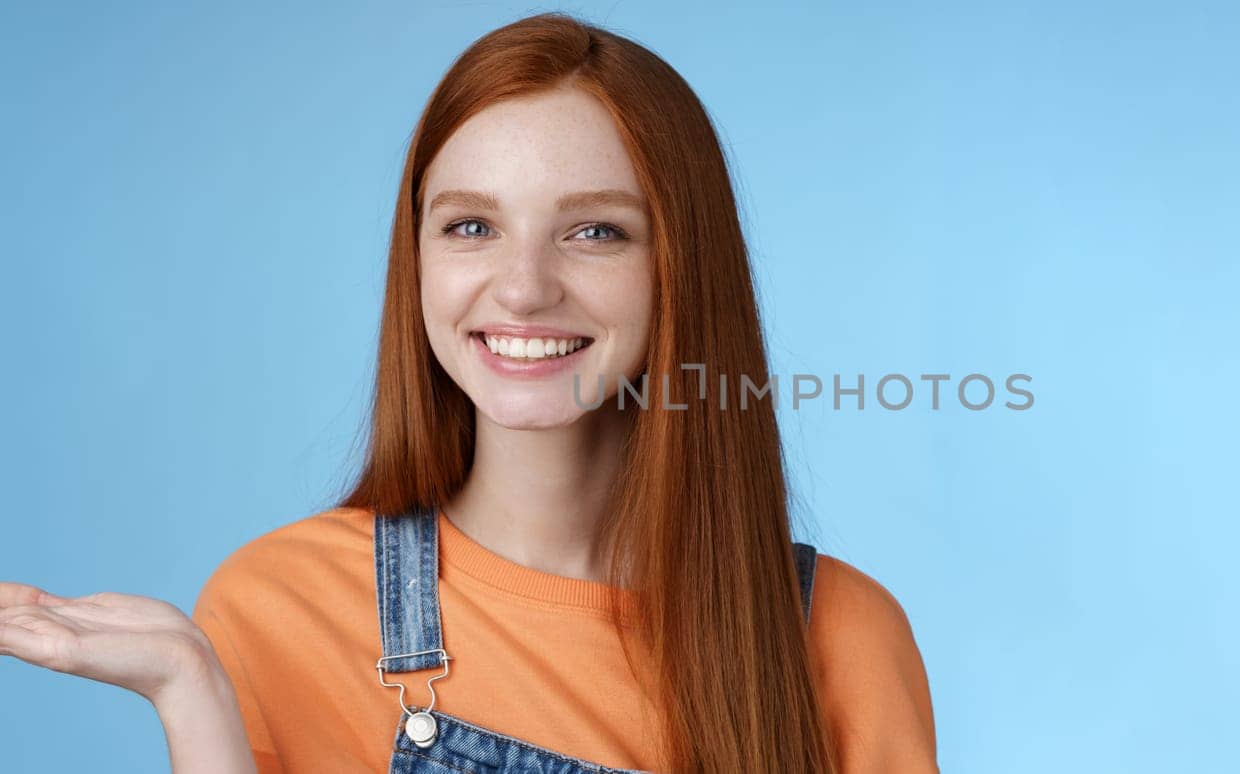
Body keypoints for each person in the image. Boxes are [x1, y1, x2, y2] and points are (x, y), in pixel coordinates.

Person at [0, 11, 937, 774]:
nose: (523, 287)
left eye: (596, 232)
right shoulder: (276, 609)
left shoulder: (840, 637)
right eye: (472, 226)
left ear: (682, 268)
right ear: (416, 258)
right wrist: (188, 697)